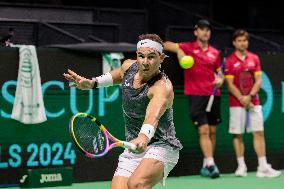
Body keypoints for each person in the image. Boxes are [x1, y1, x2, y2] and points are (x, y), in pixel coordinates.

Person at [63, 33, 182, 189]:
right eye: (141, 56)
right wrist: (92, 83)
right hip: (133, 145)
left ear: (161, 58)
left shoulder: (162, 88)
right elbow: (119, 74)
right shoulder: (129, 66)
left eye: (151, 57)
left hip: (162, 146)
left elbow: (153, 115)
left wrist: (143, 137)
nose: (145, 62)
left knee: (136, 184)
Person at [164, 19, 224, 178]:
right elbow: (165, 44)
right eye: (202, 29)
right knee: (203, 130)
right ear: (196, 32)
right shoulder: (187, 47)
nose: (206, 32)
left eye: (208, 30)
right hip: (196, 95)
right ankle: (211, 165)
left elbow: (220, 73)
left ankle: (207, 163)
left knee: (212, 131)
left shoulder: (215, 53)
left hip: (213, 94)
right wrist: (179, 51)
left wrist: (221, 80)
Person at [224, 29, 281, 178]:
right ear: (234, 42)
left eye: (245, 40)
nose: (243, 43)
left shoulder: (254, 58)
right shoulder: (229, 61)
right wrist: (242, 98)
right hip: (236, 103)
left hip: (253, 101)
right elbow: (229, 84)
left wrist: (249, 96)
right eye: (239, 40)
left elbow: (259, 81)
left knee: (259, 133)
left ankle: (263, 166)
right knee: (238, 135)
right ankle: (241, 166)